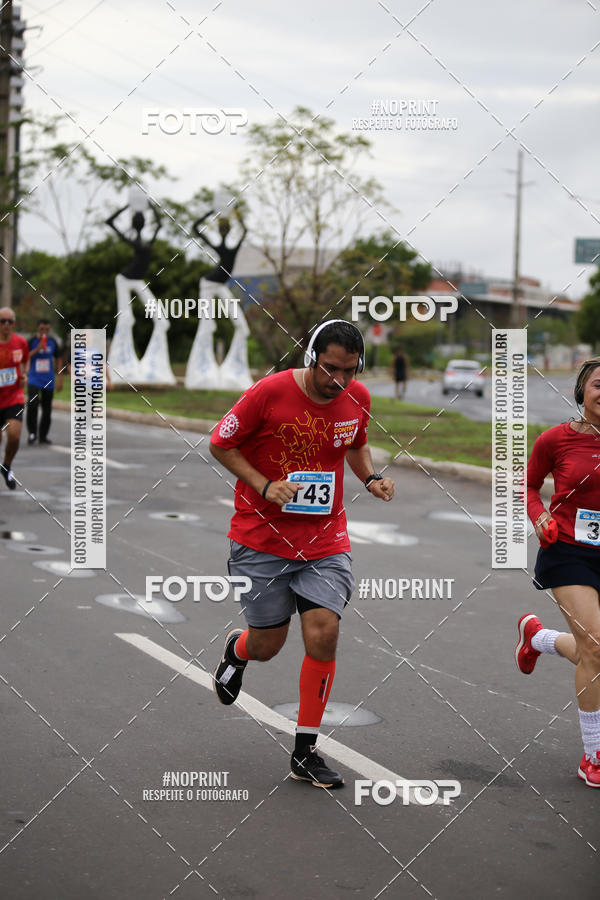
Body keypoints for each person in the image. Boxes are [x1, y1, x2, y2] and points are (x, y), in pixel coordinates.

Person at [209, 320, 395, 789]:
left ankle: (305, 751)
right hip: (260, 539)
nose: (338, 381)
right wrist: (265, 485)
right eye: (330, 369)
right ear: (311, 356)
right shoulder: (268, 393)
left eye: (349, 371)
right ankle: (239, 649)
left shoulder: (357, 399)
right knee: (268, 645)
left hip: (323, 539)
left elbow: (353, 444)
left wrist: (370, 477)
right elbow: (220, 442)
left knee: (323, 631)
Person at [515, 358, 600, 788]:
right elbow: (528, 485)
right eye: (599, 385)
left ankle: (538, 639)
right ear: (583, 391)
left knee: (594, 651)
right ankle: (594, 755)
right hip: (569, 551)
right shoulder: (556, 440)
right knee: (597, 648)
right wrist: (539, 516)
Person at [0, 308, 29, 490]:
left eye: (10, 321)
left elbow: (26, 360)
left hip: (14, 396)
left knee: (14, 436)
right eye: (2, 321)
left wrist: (24, 374)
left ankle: (7, 465)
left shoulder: (21, 343)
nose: (6, 325)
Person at [27, 319, 63, 444]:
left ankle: (43, 436)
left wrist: (60, 378)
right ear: (38, 329)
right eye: (42, 329)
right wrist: (37, 349)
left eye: (47, 329)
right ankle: (32, 433)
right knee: (33, 404)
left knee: (47, 409)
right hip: (33, 379)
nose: (44, 332)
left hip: (48, 380)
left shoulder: (52, 342)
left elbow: (58, 359)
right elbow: (24, 356)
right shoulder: (32, 341)